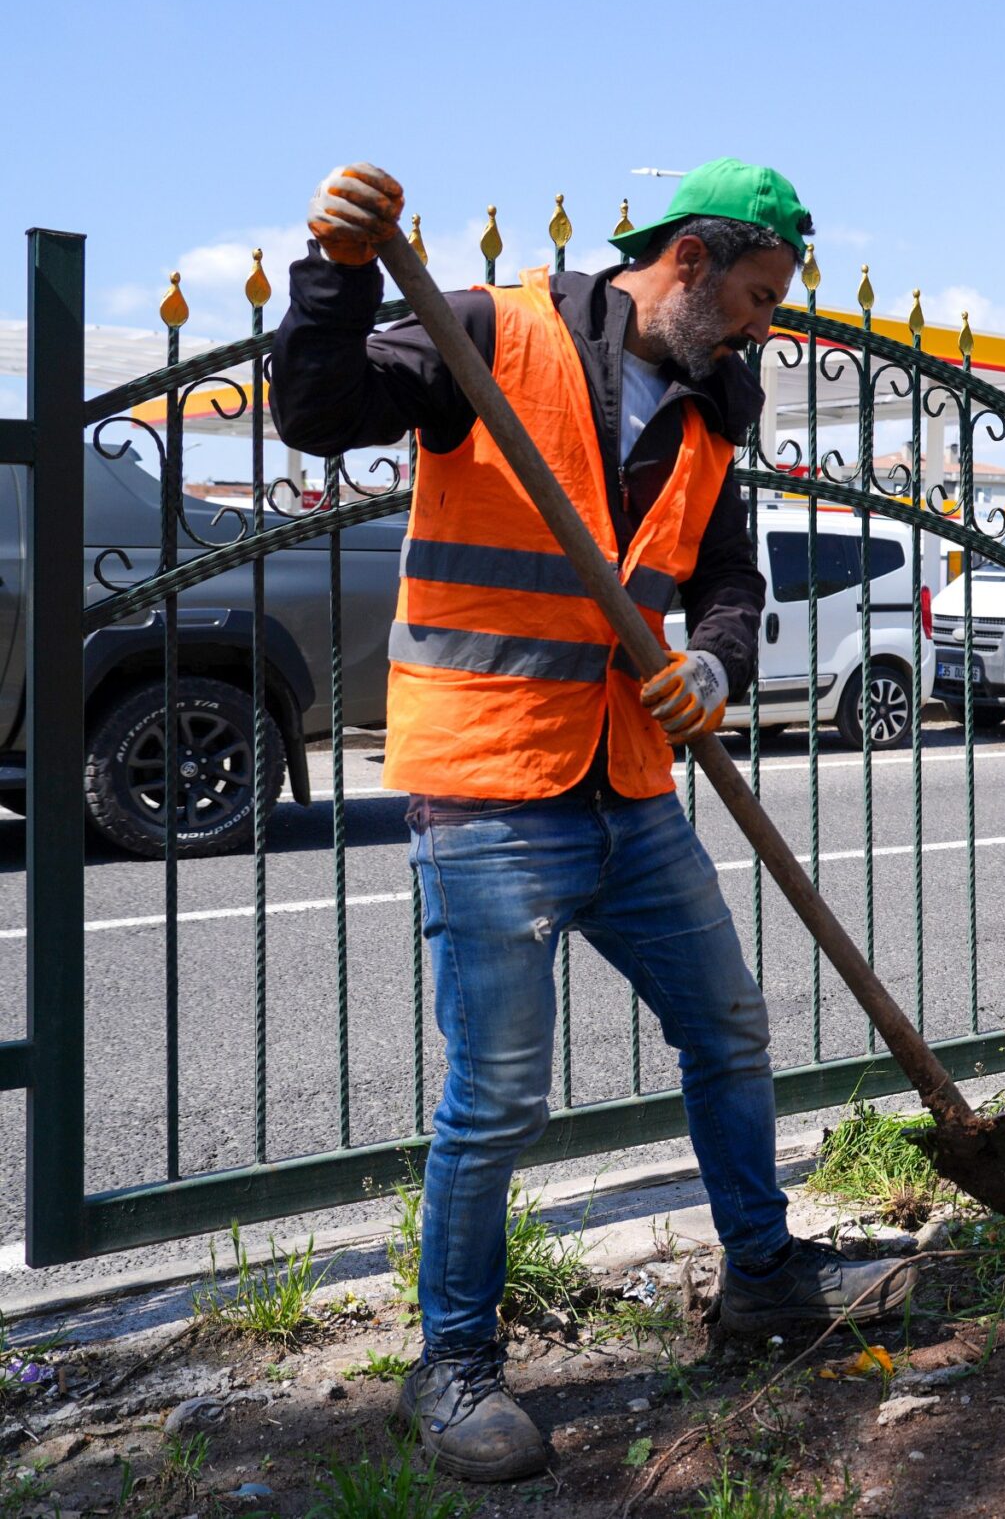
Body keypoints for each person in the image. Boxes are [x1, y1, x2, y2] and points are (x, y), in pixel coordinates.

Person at [274, 160, 916, 1482]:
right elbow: (316, 410)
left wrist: (719, 665)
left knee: (729, 1026)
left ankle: (761, 1275)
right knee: (499, 1094)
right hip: (491, 784)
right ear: (686, 260)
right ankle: (451, 1362)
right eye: (752, 295)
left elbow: (729, 574)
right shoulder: (492, 334)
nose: (763, 326)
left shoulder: (713, 398)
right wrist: (335, 271)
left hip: (629, 782)